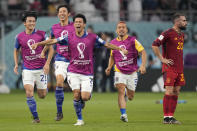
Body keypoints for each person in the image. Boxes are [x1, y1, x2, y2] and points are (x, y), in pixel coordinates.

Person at [31, 13, 128, 126]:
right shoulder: (69, 36)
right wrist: (39, 43)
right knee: (76, 94)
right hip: (73, 71)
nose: (78, 24)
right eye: (76, 22)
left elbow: (106, 44)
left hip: (87, 73)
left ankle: (87, 96)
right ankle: (80, 119)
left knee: (85, 97)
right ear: (74, 24)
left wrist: (119, 48)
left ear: (84, 24)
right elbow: (53, 41)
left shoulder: (92, 37)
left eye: (80, 22)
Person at [13, 11, 53, 123]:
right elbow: (15, 50)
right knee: (29, 91)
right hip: (27, 69)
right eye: (29, 21)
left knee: (42, 95)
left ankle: (42, 88)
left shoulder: (41, 34)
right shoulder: (19, 36)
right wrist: (16, 64)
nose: (32, 23)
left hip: (40, 69)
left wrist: (47, 63)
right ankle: (36, 117)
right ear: (24, 23)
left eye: (34, 21)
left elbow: (50, 46)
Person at [105, 21, 146, 122]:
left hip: (132, 72)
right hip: (119, 71)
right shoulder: (113, 43)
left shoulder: (133, 40)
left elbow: (143, 52)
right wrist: (109, 67)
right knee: (121, 90)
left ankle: (127, 96)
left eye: (123, 27)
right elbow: (112, 56)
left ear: (126, 30)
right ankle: (123, 114)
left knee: (131, 96)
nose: (121, 29)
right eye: (119, 27)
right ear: (116, 30)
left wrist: (143, 65)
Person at [152, 13, 187, 124]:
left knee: (176, 92)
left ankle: (171, 117)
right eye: (184, 21)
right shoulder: (167, 33)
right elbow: (154, 44)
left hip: (179, 68)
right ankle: (166, 118)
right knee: (169, 91)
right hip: (169, 68)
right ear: (177, 22)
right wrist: (162, 59)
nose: (186, 23)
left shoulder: (181, 35)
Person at [42, 4, 75, 121]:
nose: (62, 13)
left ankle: (80, 98)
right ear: (57, 14)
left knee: (77, 90)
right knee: (59, 82)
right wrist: (43, 52)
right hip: (60, 59)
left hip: (74, 60)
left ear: (69, 14)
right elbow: (50, 42)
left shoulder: (75, 26)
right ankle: (59, 112)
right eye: (60, 12)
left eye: (64, 11)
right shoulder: (54, 28)